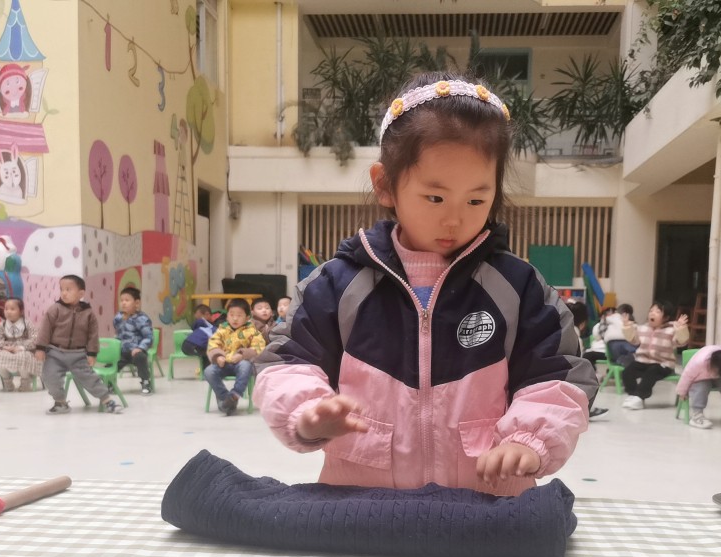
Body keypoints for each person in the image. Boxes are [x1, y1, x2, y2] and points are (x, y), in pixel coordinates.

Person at [254, 71, 596, 496]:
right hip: (361, 509)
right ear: (385, 185)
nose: (454, 218)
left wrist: (529, 439)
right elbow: (287, 363)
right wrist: (306, 411)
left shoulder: (519, 287)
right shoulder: (337, 285)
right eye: (435, 197)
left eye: (476, 199)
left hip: (485, 510)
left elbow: (558, 376)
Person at [34, 274, 122, 414]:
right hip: (55, 353)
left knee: (90, 378)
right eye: (62, 289)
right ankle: (60, 402)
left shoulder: (88, 313)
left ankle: (107, 400)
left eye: (68, 289)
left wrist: (92, 353)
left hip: (78, 355)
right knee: (50, 377)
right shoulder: (55, 309)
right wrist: (40, 348)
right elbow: (45, 329)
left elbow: (92, 335)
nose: (64, 293)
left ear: (81, 293)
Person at [620, 300, 689, 410]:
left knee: (651, 372)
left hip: (663, 364)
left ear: (666, 317)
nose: (652, 313)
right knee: (627, 372)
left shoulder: (671, 330)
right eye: (651, 311)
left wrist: (681, 329)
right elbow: (634, 341)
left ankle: (639, 396)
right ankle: (634, 396)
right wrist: (627, 328)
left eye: (657, 312)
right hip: (643, 361)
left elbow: (682, 341)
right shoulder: (642, 328)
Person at [204, 298, 266, 416]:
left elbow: (259, 348)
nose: (235, 318)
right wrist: (218, 356)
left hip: (242, 364)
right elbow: (213, 344)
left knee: (245, 365)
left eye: (239, 315)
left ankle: (235, 394)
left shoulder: (252, 331)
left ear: (247, 317)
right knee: (208, 371)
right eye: (231, 315)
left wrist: (242, 355)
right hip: (223, 363)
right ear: (227, 316)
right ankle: (226, 398)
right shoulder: (222, 330)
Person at [676, 345, 721, 430]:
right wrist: (682, 392)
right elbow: (687, 376)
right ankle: (697, 415)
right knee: (701, 387)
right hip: (701, 377)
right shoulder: (700, 362)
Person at [0, 298, 42, 392]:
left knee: (23, 357)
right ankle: (7, 381)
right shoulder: (3, 324)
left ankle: (25, 382)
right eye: (6, 309)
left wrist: (21, 347)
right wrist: (5, 347)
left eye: (12, 309)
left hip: (25, 350)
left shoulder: (27, 324)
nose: (8, 312)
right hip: (7, 349)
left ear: (21, 311)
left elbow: (34, 338)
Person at [568, 300, 608, 420]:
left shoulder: (559, 331)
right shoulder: (576, 337)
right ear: (583, 323)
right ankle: (586, 410)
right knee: (591, 381)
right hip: (566, 377)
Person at [112, 286, 154, 394]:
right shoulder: (118, 317)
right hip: (122, 351)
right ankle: (109, 383)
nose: (123, 303)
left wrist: (140, 348)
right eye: (121, 300)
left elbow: (148, 337)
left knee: (141, 358)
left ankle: (145, 381)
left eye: (127, 300)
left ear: (137, 303)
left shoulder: (142, 318)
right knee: (111, 362)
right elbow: (118, 332)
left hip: (135, 351)